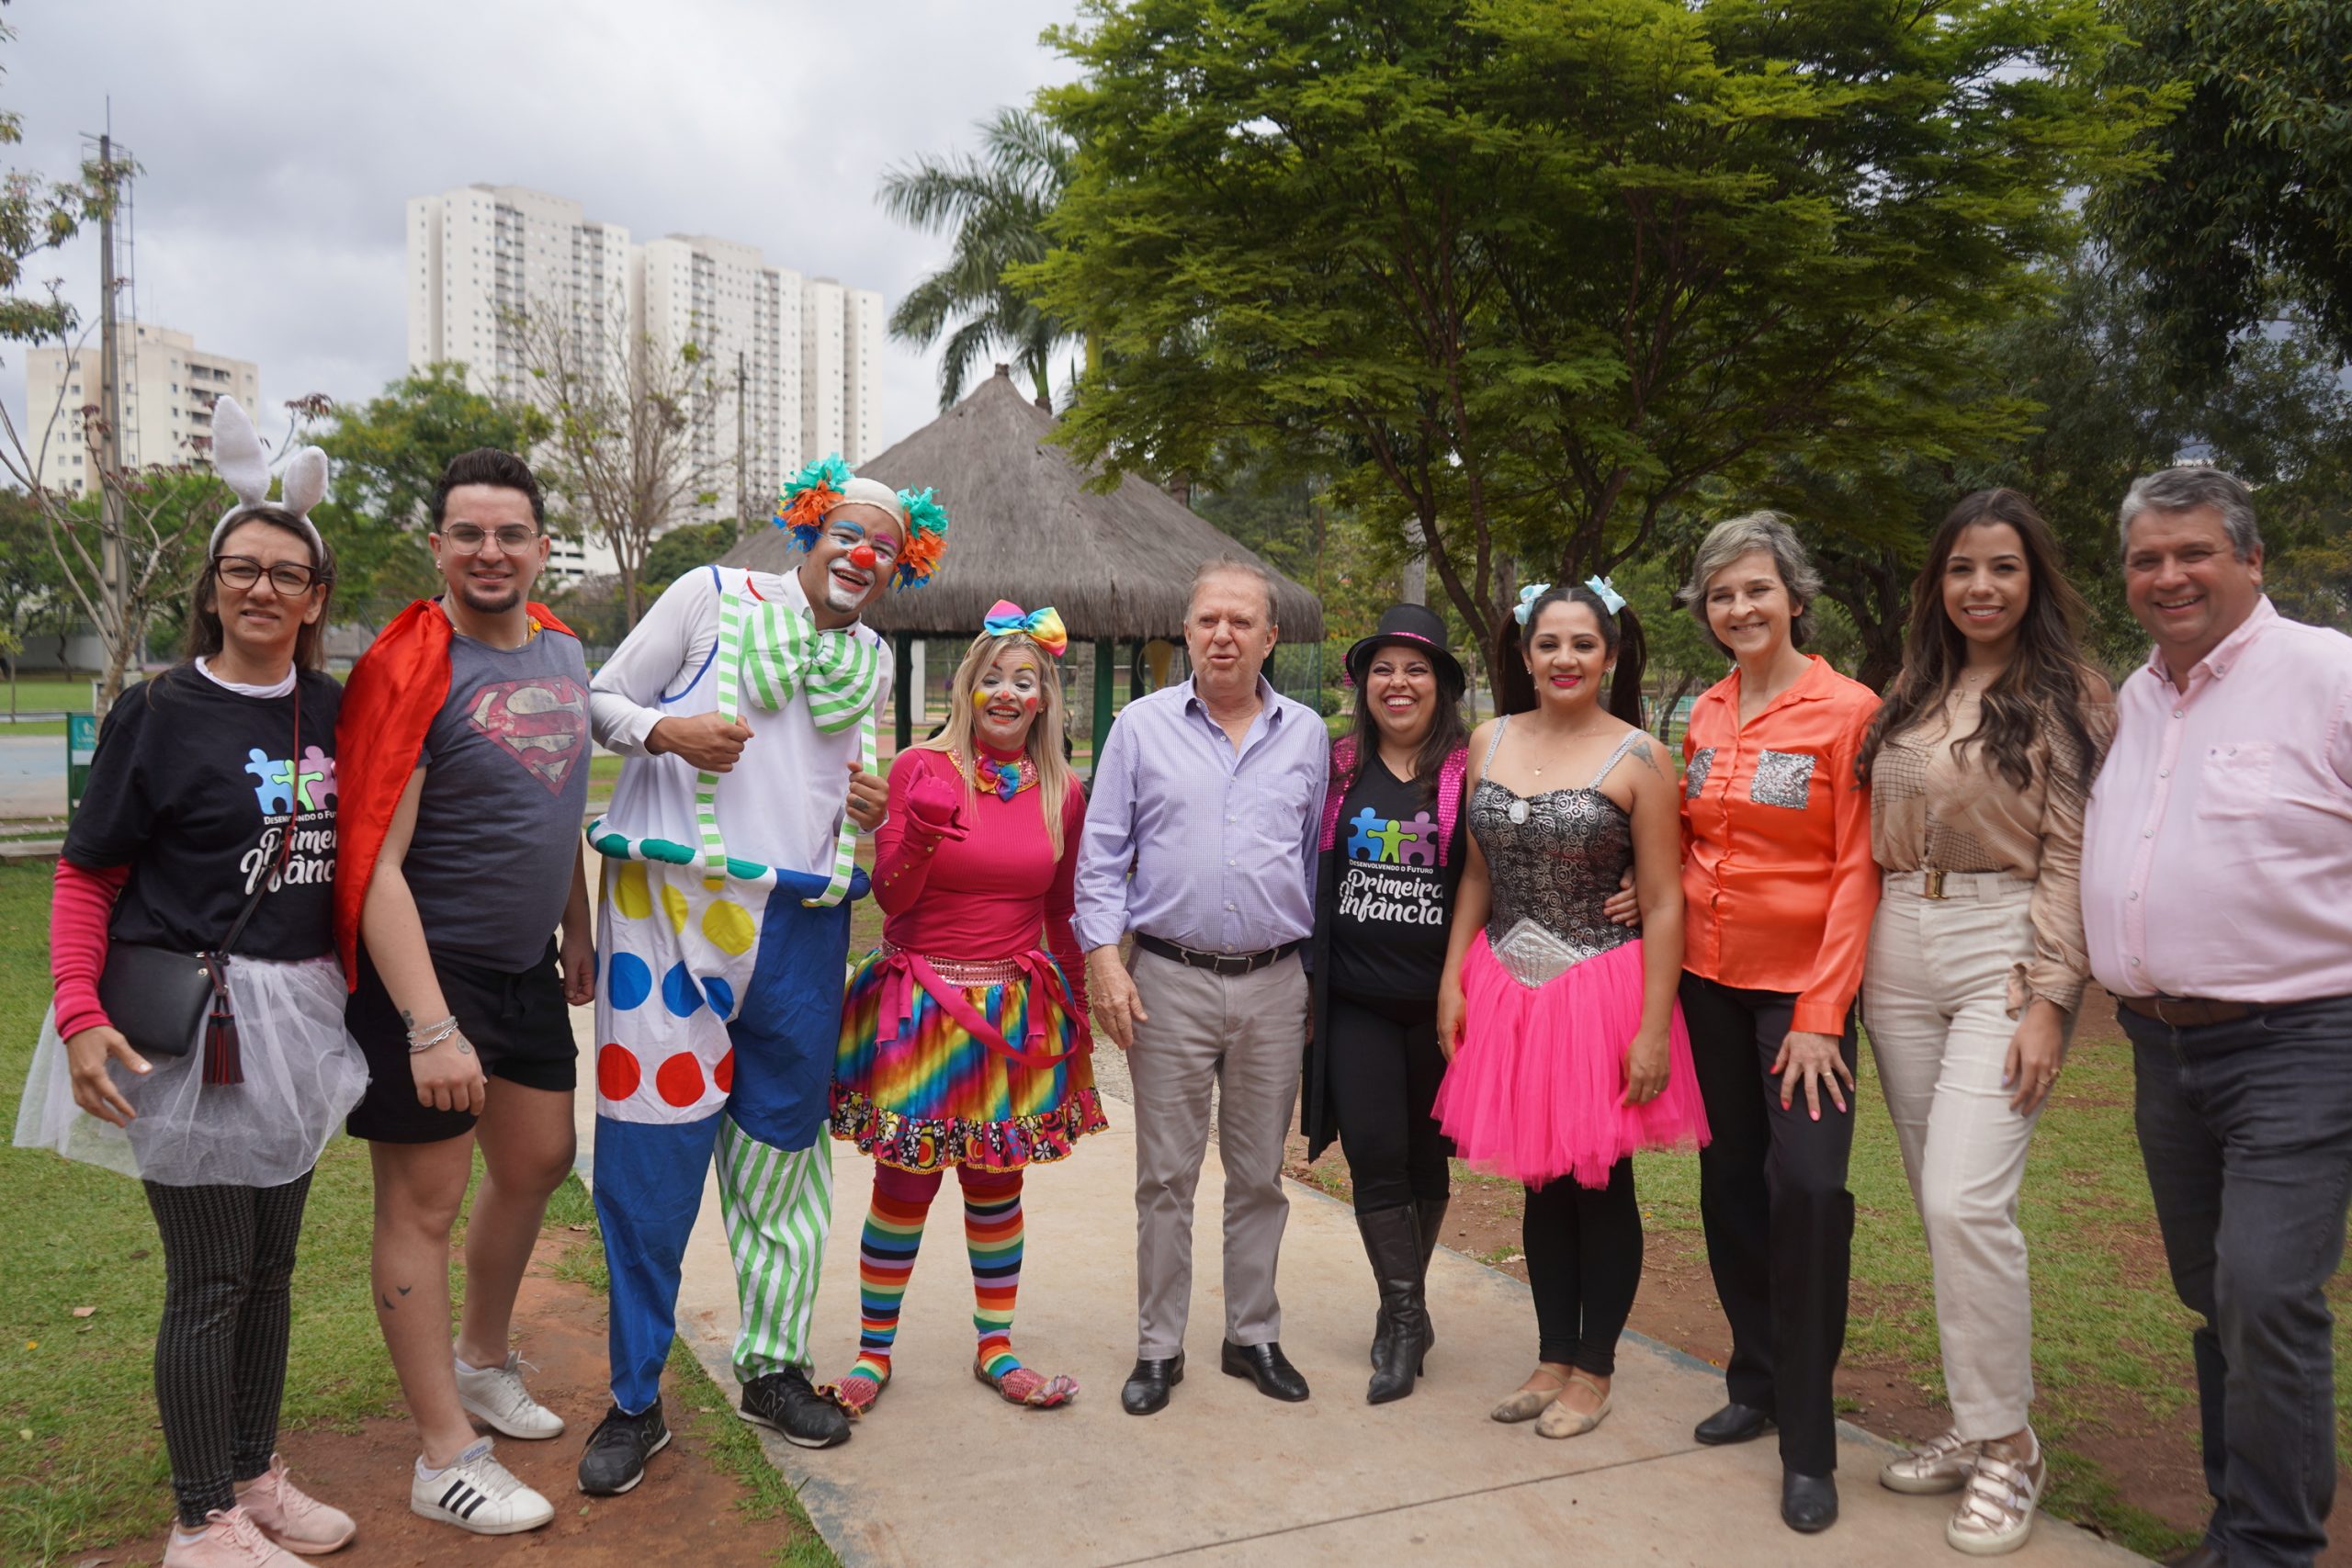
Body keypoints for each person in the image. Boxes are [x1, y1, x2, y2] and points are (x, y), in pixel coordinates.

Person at [17, 398, 366, 1566]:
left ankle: (255, 1478)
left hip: (302, 1017)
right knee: (210, 1275)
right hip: (196, 1025)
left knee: (271, 1268)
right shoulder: (158, 712)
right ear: (213, 587)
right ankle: (198, 1517)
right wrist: (76, 1016)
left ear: (316, 598)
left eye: (287, 573)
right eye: (241, 571)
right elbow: (85, 873)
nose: (262, 590)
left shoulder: (335, 709)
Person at [574, 456, 936, 1492]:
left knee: (785, 1164)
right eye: (848, 533)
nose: (862, 555)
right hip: (667, 917)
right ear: (809, 528)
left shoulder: (870, 657)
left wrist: (859, 813)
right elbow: (599, 699)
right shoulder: (709, 595)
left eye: (885, 545)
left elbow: (818, 778)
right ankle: (634, 1401)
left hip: (801, 927)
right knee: (648, 1169)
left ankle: (774, 1368)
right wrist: (666, 730)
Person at [2080, 467, 2352, 1568]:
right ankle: (2236, 1521)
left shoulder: (2327, 676)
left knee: (2263, 1287)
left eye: (2192, 552)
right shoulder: (2137, 699)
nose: (2167, 575)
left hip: (2300, 1040)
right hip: (2161, 1043)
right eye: (2146, 558)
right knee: (2212, 1291)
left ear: (2249, 559)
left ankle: (2271, 1549)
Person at [333, 449, 593, 1536]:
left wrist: (577, 922)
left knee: (539, 1159)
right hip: (426, 976)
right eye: (468, 534)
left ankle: (481, 1358)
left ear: (540, 547)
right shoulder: (409, 665)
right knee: (423, 1207)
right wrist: (428, 1025)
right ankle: (444, 1456)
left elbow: (555, 804)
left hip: (523, 961)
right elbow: (375, 860)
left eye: (510, 534)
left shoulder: (568, 650)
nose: (491, 552)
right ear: (436, 545)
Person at [1856, 491, 2112, 1556]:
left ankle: (2009, 1447)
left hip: (1999, 943)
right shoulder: (1910, 688)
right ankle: (1971, 1421)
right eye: (1962, 568)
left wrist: (2053, 998)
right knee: (1935, 1198)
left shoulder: (2068, 693)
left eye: (2002, 568)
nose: (1981, 588)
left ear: (2034, 579)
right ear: (1937, 583)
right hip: (1896, 942)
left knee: (1967, 1200)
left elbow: (2069, 853)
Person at [1432, 580, 1706, 1438]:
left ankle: (1596, 1368)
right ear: (1523, 652)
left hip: (1602, 989)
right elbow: (1476, 873)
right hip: (1506, 982)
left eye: (1583, 644)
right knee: (1541, 1180)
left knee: (1600, 1181)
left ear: (1611, 655)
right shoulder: (1489, 738)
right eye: (1548, 643)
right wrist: (1452, 977)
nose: (1565, 659)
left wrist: (1654, 1027)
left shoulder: (1641, 758)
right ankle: (1551, 1354)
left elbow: (1663, 902)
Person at [820, 602, 1105, 1416]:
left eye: (1027, 680)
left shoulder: (1062, 790)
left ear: (1046, 697)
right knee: (903, 1185)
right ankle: (874, 1353)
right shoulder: (919, 767)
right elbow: (892, 898)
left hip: (1013, 1014)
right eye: (993, 678)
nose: (1008, 693)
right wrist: (916, 840)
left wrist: (1077, 1006)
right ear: (966, 686)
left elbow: (1062, 910)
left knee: (996, 1182)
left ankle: (996, 1345)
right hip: (919, 1008)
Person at [1075, 558, 1326, 1416]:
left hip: (1272, 982)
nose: (1224, 634)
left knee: (1260, 1173)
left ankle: (1252, 1333)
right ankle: (1159, 1346)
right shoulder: (1139, 729)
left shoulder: (1308, 734)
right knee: (1166, 1177)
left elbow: (1309, 861)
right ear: (1186, 631)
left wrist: (1307, 977)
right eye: (1209, 619)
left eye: (1242, 621)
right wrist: (1105, 958)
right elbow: (1101, 854)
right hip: (1169, 981)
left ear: (1271, 637)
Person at [1675, 512, 1881, 1533]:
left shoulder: (1848, 711)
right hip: (1703, 986)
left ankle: (1809, 1437)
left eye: (1755, 589)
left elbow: (1856, 870)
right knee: (1727, 1188)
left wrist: (1820, 1013)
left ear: (1795, 596)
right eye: (1720, 594)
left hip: (1800, 1003)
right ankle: (1753, 1377)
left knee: (1806, 1191)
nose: (1739, 608)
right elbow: (1694, 836)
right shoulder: (1705, 713)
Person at [1302, 604, 1470, 1404]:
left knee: (1427, 1158)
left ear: (1441, 685)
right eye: (1383, 669)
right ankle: (1405, 1318)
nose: (1398, 684)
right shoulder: (1333, 767)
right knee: (1373, 1149)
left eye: (1416, 669)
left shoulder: (1475, 770)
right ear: (1362, 683)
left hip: (1445, 1003)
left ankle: (1404, 1306)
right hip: (1356, 1000)